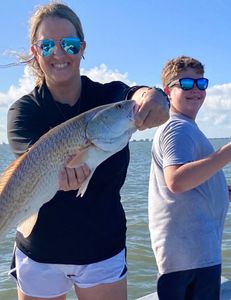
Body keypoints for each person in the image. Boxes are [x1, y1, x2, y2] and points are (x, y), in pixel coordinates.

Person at [6, 2, 169, 300]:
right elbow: (33, 169)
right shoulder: (23, 112)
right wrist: (64, 173)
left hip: (101, 249)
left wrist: (152, 97)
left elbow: (136, 95)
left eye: (69, 44)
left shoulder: (109, 96)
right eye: (47, 45)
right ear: (35, 51)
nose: (59, 53)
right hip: (40, 250)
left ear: (82, 48)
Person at [148, 55, 231, 300]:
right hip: (189, 259)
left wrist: (219, 190)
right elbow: (177, 180)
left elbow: (192, 178)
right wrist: (227, 152)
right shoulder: (177, 127)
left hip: (193, 256)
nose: (195, 90)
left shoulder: (186, 127)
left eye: (200, 84)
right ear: (167, 91)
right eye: (185, 84)